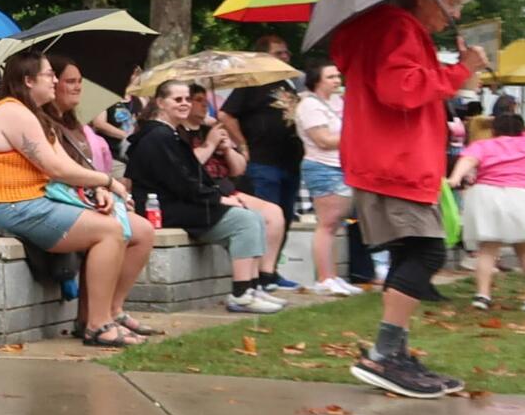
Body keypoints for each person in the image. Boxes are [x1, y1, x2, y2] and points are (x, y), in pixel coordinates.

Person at [329, 0, 489, 398]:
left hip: (391, 159)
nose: (455, 15)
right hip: (395, 161)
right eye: (452, 4)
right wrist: (460, 71)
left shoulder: (389, 28)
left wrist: (452, 71)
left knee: (410, 252)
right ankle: (384, 355)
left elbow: (405, 85)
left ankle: (393, 353)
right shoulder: (395, 26)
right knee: (426, 250)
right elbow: (400, 90)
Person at [0, 49, 152, 345]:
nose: (55, 81)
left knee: (140, 230)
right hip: (1, 204)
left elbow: (65, 167)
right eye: (49, 75)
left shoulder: (35, 115)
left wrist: (97, 189)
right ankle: (97, 325)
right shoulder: (12, 112)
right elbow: (55, 168)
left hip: (31, 200)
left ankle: (104, 314)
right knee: (109, 231)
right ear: (28, 80)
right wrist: (107, 180)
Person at [128, 81, 290, 314]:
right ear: (161, 103)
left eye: (187, 99)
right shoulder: (157, 136)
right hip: (165, 208)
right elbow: (180, 182)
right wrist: (218, 199)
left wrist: (219, 194)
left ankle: (252, 288)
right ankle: (241, 294)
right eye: (177, 99)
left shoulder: (171, 134)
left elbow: (192, 178)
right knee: (244, 221)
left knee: (254, 217)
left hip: (183, 201)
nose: (184, 104)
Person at [451, 100, 525, 313]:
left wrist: (455, 177)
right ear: (522, 129)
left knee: (488, 248)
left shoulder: (483, 145)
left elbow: (468, 160)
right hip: (522, 195)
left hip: (487, 194)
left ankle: (482, 296)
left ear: (494, 130)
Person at [220, 34, 305, 291]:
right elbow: (226, 114)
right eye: (279, 53)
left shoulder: (289, 83)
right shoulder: (252, 82)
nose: (285, 56)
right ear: (263, 56)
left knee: (285, 217)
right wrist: (243, 145)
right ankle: (256, 276)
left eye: (287, 52)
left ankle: (272, 270)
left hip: (290, 161)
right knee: (266, 217)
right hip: (262, 161)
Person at [295, 63, 363, 296]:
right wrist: (356, 135)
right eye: (330, 77)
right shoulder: (309, 105)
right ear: (316, 80)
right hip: (323, 167)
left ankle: (332, 276)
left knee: (335, 224)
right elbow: (323, 140)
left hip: (341, 165)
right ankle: (325, 278)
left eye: (337, 76)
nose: (336, 80)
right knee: (327, 223)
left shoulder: (336, 102)